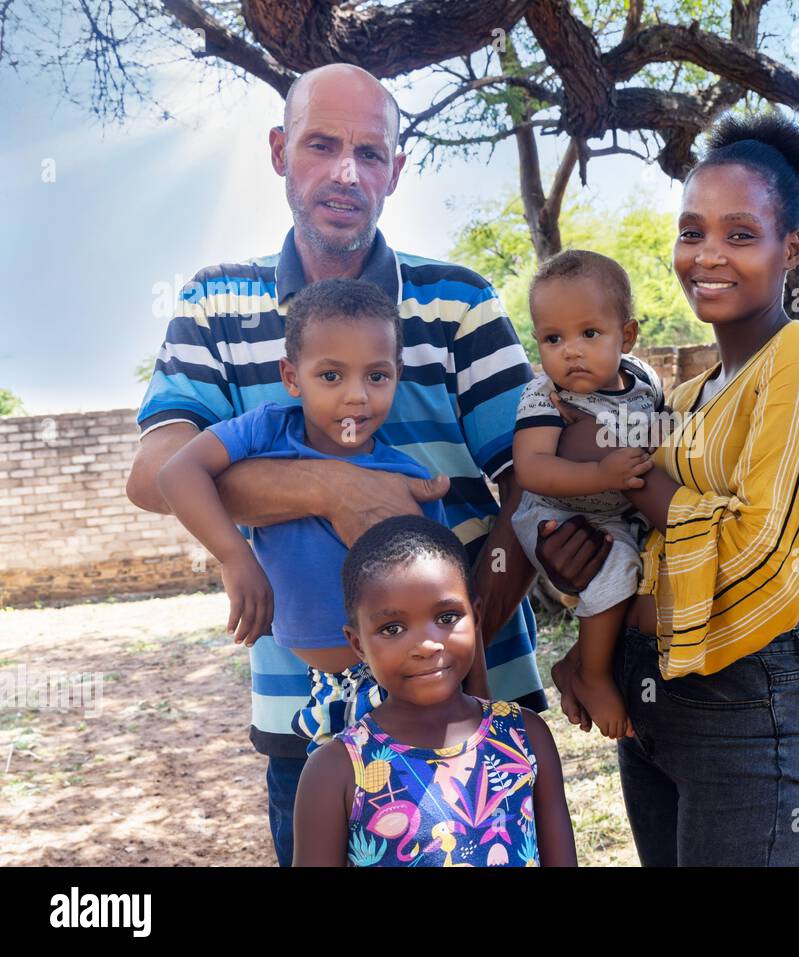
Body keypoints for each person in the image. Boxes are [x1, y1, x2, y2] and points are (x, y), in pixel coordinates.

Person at [126, 63, 546, 866]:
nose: (346, 172)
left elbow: (529, 477)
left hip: (477, 700)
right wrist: (330, 484)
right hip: (311, 722)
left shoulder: (459, 302)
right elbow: (155, 471)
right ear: (281, 152)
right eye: (322, 145)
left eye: (370, 151)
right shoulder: (217, 306)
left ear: (397, 166)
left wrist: (460, 643)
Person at [548, 111, 799, 866]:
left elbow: (760, 556)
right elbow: (638, 543)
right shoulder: (686, 400)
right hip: (649, 697)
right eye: (692, 232)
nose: (708, 255)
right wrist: (585, 584)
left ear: (791, 247)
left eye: (740, 234)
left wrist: (632, 480)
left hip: (744, 704)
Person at [157, 279, 469, 752]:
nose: (356, 397)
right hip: (322, 695)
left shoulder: (405, 482)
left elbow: (452, 607)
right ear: (290, 375)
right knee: (322, 815)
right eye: (331, 376)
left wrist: (475, 709)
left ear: (397, 374)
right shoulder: (266, 432)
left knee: (406, 819)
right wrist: (235, 558)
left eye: (377, 376)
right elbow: (178, 472)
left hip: (403, 691)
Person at [292, 515, 576, 867]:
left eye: (446, 618)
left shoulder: (525, 737)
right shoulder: (335, 771)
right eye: (392, 628)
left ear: (475, 617)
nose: (426, 645)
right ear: (358, 644)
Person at [510, 250, 661, 740]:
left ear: (628, 336)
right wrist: (601, 472)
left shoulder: (645, 383)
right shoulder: (545, 395)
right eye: (554, 338)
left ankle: (576, 662)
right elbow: (531, 468)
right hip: (554, 515)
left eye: (588, 334)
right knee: (617, 566)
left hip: (621, 515)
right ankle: (592, 675)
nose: (570, 351)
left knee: (655, 570)